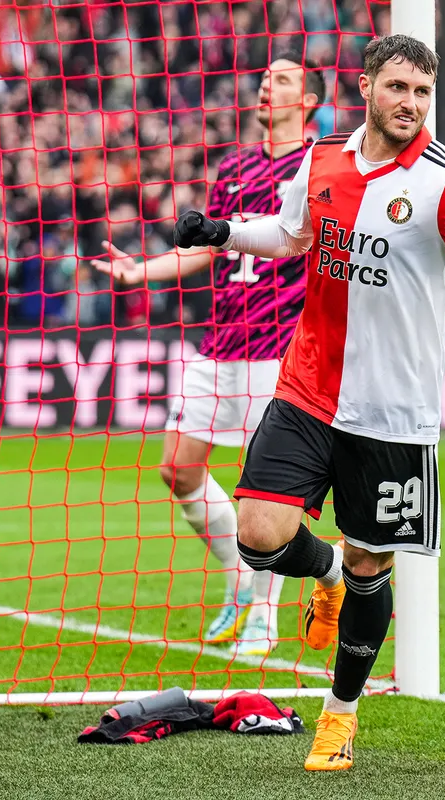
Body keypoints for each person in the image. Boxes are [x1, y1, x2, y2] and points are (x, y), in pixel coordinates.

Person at [168, 34, 445, 771]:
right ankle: (327, 576)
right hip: (307, 387)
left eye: (422, 94)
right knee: (258, 534)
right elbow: (292, 234)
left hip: (393, 415)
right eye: (398, 88)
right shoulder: (325, 157)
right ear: (367, 85)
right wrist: (224, 231)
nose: (410, 104)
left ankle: (339, 718)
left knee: (375, 566)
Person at [91, 57, 324, 656]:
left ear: (311, 100)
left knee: (263, 491)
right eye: (265, 77)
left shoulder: (319, 165)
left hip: (279, 348)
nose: (266, 84)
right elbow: (208, 251)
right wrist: (139, 272)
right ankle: (240, 580)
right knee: (177, 468)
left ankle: (264, 615)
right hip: (220, 340)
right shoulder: (236, 166)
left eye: (283, 80)